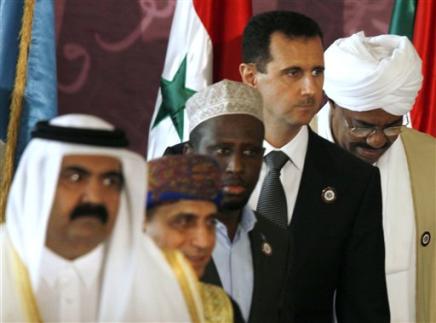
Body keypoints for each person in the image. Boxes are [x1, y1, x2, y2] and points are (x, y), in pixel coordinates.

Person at [239, 11, 389, 322]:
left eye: (317, 71)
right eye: (293, 73)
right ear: (251, 77)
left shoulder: (354, 181)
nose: (311, 88)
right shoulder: (199, 165)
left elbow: (365, 307)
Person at [0, 114, 198, 322]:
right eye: (75, 178)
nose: (95, 197)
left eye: (110, 181)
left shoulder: (160, 276)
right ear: (39, 185)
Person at [317, 31, 436, 323]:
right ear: (331, 103)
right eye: (362, 126)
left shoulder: (429, 159)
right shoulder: (295, 154)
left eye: (393, 126)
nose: (376, 141)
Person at [185, 79, 289, 323]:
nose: (236, 167)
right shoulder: (164, 239)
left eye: (250, 152)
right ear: (190, 156)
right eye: (222, 151)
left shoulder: (276, 240)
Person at [145, 153, 244, 323]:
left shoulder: (222, 310)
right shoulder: (97, 305)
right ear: (141, 225)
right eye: (183, 222)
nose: (204, 242)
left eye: (210, 222)